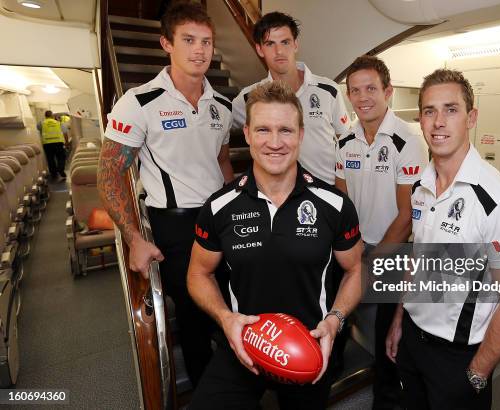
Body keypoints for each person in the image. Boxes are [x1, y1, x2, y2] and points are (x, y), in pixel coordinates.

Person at [186, 81, 362, 409]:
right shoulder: (219, 206)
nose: (275, 143)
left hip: (308, 347)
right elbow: (198, 274)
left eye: (286, 130)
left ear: (301, 135)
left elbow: (355, 270)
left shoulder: (334, 205)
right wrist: (226, 319)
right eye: (264, 130)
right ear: (248, 134)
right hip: (242, 342)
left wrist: (334, 321)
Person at [97, 1, 234, 386]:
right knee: (191, 312)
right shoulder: (139, 102)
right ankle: (209, 389)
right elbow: (108, 174)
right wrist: (134, 238)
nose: (200, 50)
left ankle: (237, 377)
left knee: (232, 296)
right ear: (165, 44)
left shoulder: (221, 105)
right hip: (174, 225)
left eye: (206, 41)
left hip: (219, 217)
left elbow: (222, 160)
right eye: (188, 40)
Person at [385, 69, 500, 409]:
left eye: (451, 109)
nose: (438, 121)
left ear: (471, 117)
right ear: (420, 120)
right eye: (429, 111)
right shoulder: (421, 187)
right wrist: (398, 320)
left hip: (459, 358)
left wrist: (477, 374)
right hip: (412, 340)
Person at [335, 55, 428, 409]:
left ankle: (386, 399)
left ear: (387, 91)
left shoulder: (408, 141)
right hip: (354, 245)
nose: (362, 97)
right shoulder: (345, 140)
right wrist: (350, 247)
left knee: (388, 334)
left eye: (370, 88)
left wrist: (371, 260)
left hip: (392, 249)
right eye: (355, 91)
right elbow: (341, 201)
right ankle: (336, 366)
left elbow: (407, 216)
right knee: (343, 313)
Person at [232, 11, 350, 185]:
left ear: (295, 44)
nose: (279, 51)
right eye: (270, 43)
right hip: (276, 197)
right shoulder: (248, 98)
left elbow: (346, 144)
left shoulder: (328, 91)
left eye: (285, 42)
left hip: (326, 191)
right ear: (259, 49)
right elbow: (214, 130)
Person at [39, 110, 67, 180]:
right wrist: (66, 142)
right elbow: (65, 133)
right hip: (58, 142)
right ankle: (61, 170)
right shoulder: (59, 123)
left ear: (45, 116)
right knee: (61, 157)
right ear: (52, 116)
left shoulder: (41, 123)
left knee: (50, 159)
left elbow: (39, 130)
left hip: (47, 144)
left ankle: (54, 174)